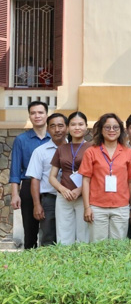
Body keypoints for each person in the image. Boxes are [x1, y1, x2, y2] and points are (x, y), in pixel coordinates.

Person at [78, 113, 131, 242]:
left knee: (118, 248)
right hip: (97, 207)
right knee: (98, 247)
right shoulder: (91, 152)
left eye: (115, 127)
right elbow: (86, 180)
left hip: (121, 207)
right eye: (107, 127)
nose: (112, 130)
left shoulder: (129, 153)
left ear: (121, 130)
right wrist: (87, 207)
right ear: (101, 130)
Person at [10, 100, 51, 249]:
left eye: (40, 112)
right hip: (28, 186)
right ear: (29, 116)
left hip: (49, 187)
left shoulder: (55, 139)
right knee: (30, 230)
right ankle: (30, 263)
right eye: (33, 113)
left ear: (47, 115)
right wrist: (15, 194)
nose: (37, 116)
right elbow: (15, 170)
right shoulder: (21, 140)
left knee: (50, 230)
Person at [25, 113, 67, 246]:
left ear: (67, 128)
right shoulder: (40, 151)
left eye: (61, 125)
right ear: (48, 129)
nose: (57, 129)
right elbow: (35, 180)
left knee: (69, 236)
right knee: (48, 237)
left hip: (72, 199)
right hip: (50, 199)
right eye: (53, 126)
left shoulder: (74, 150)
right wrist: (37, 205)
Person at [49, 111, 90, 245]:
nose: (77, 128)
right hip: (64, 197)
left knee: (84, 235)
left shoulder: (92, 148)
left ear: (86, 127)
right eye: (73, 124)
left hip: (84, 196)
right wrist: (62, 189)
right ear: (68, 128)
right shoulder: (61, 148)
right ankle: (64, 264)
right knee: (63, 234)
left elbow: (95, 176)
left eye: (80, 124)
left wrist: (79, 190)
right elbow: (52, 177)